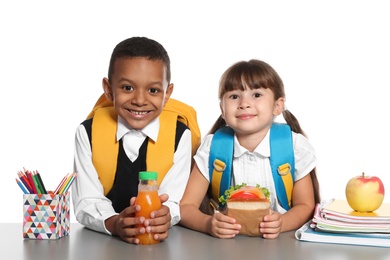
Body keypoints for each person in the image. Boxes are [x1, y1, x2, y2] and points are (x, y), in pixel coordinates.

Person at [72, 36, 200, 244]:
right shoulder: (87, 133)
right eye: (127, 88)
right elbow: (86, 199)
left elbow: (175, 199)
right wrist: (114, 223)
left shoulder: (180, 134)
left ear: (167, 94)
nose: (140, 100)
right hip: (103, 244)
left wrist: (165, 215)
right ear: (108, 89)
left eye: (153, 90)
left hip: (158, 242)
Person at [180, 59, 320, 239]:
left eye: (256, 95)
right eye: (234, 96)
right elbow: (186, 207)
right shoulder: (212, 148)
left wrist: (282, 223)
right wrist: (208, 224)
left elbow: (306, 206)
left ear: (277, 106)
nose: (244, 103)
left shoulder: (293, 147)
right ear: (222, 109)